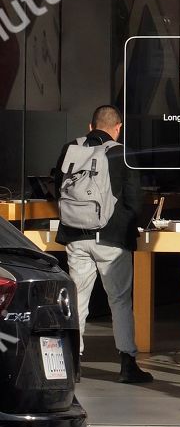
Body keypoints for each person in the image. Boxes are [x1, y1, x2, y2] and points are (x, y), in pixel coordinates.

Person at [52, 104, 152, 383]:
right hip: (112, 239)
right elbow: (134, 199)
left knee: (78, 300)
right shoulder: (122, 152)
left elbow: (56, 185)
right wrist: (129, 228)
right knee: (119, 300)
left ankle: (72, 364)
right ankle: (127, 365)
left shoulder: (71, 147)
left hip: (75, 236)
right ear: (118, 128)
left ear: (90, 126)